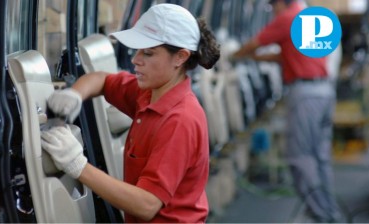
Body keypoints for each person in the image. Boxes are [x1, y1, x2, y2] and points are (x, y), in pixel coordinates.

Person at [40, 3, 220, 223]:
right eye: (137, 51)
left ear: (180, 57)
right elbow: (102, 80)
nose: (136, 60)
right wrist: (74, 95)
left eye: (148, 53)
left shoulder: (180, 119)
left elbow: (147, 205)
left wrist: (77, 165)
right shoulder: (150, 93)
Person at [231, 0, 343, 222]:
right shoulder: (303, 17)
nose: (273, 11)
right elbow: (285, 56)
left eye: (274, 6)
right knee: (319, 156)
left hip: (305, 93)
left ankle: (321, 214)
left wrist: (232, 56)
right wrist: (254, 58)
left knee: (299, 156)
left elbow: (254, 43)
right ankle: (330, 212)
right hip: (324, 90)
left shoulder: (286, 18)